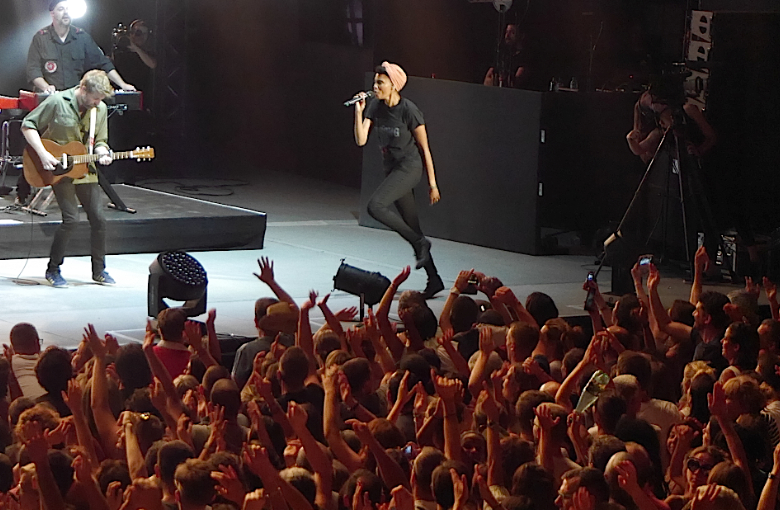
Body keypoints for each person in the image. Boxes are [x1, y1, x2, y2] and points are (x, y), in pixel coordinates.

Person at [353, 62, 444, 299]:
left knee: (375, 206)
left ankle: (420, 243)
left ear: (394, 85)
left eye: (380, 83)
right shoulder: (375, 106)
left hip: (410, 168)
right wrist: (358, 111)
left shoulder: (408, 110)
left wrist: (432, 183)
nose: (375, 86)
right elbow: (361, 139)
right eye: (375, 82)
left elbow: (425, 149)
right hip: (392, 170)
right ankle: (434, 279)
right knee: (412, 223)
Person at [21, 70, 116, 287]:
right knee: (71, 219)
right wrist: (43, 154)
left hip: (85, 169)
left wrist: (102, 151)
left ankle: (99, 270)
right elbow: (28, 125)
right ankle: (53, 269)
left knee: (99, 219)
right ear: (83, 89)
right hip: (59, 170)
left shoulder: (99, 109)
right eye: (95, 97)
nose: (97, 102)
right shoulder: (57, 101)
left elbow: (101, 139)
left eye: (101, 99)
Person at [27, 0, 136, 94]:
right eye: (61, 9)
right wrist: (45, 87)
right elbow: (33, 70)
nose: (66, 13)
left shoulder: (82, 37)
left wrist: (123, 84)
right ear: (52, 13)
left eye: (68, 9)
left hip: (75, 96)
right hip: (50, 98)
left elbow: (103, 63)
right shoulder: (41, 38)